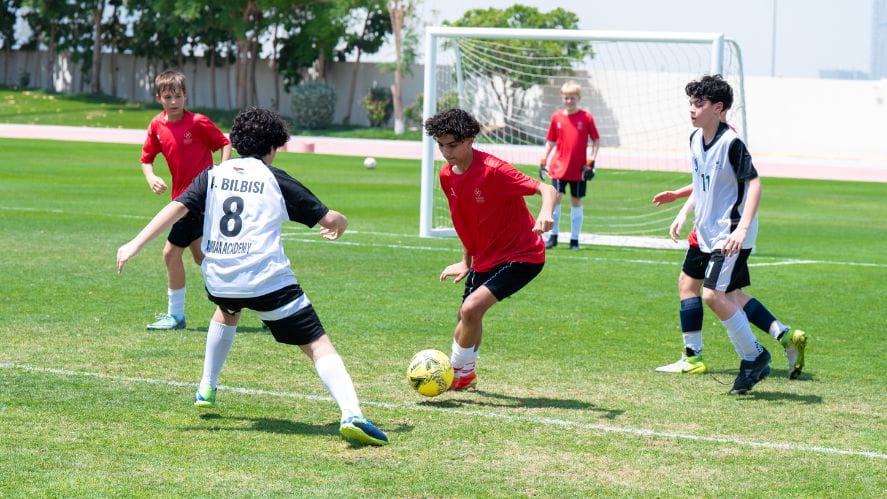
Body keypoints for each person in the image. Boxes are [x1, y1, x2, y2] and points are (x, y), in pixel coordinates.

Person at [118, 107, 388, 446]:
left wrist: (134, 243)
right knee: (317, 343)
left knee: (227, 310)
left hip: (220, 279)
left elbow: (177, 207)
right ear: (273, 148)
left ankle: (206, 387)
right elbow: (328, 218)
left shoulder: (213, 174)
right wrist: (342, 223)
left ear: (236, 142)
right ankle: (352, 414)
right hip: (266, 281)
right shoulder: (275, 177)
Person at [670, 74, 807, 395]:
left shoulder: (732, 143)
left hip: (729, 234)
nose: (692, 109)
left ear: (719, 108)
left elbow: (754, 183)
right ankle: (772, 344)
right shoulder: (694, 139)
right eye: (690, 103)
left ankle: (754, 357)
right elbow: (704, 181)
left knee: (713, 295)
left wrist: (742, 228)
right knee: (721, 294)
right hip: (706, 232)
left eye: (699, 104)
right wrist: (681, 207)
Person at [424, 108, 557, 390]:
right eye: (441, 145)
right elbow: (466, 222)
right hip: (484, 258)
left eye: (453, 145)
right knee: (465, 318)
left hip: (523, 255)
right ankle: (464, 373)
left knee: (471, 309)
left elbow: (546, 189)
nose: (446, 152)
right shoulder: (447, 175)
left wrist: (545, 213)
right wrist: (466, 261)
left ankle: (456, 374)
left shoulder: (494, 170)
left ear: (470, 140)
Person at [652, 185, 807, 379]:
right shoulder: (737, 158)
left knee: (690, 286)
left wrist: (683, 209)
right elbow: (712, 179)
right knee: (733, 294)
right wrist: (678, 195)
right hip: (734, 232)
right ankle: (783, 334)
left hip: (714, 231)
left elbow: (709, 181)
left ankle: (695, 358)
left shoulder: (728, 155)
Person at [139, 69, 232, 330]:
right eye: (168, 96)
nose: (173, 101)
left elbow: (224, 143)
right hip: (181, 199)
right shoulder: (157, 125)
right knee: (204, 258)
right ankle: (263, 306)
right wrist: (151, 177)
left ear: (186, 96)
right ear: (159, 97)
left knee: (170, 253)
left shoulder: (198, 122)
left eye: (178, 96)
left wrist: (221, 172)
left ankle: (176, 316)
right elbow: (146, 159)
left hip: (199, 200)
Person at [539, 81, 600, 250]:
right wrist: (544, 159)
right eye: (566, 98)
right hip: (558, 168)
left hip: (579, 170)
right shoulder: (557, 117)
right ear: (562, 98)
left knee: (576, 202)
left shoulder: (586, 117)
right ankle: (554, 236)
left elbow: (596, 140)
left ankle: (574, 240)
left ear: (578, 98)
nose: (569, 101)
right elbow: (550, 141)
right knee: (555, 201)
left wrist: (591, 162)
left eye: (572, 98)